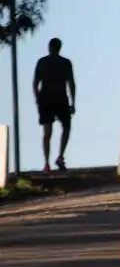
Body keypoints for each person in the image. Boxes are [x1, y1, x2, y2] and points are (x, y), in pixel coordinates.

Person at [33, 38, 76, 173]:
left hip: (47, 99)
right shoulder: (65, 63)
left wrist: (38, 99)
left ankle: (48, 162)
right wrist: (73, 102)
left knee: (48, 131)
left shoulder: (43, 62)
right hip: (59, 98)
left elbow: (35, 83)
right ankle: (59, 156)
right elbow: (71, 83)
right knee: (65, 128)